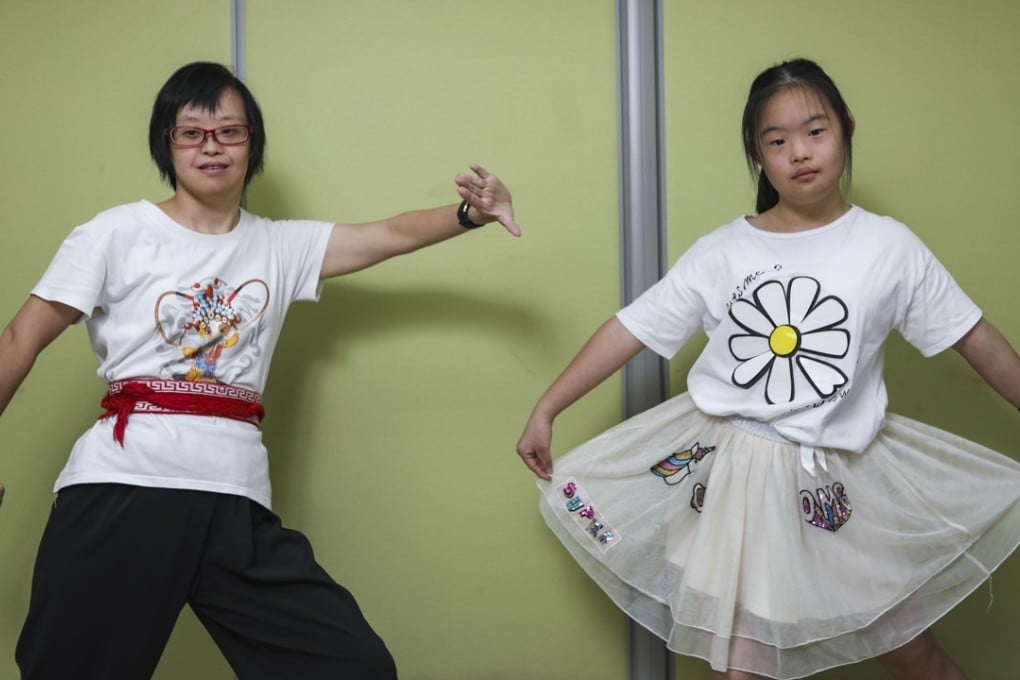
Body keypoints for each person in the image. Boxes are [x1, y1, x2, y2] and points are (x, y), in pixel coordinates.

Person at [0, 61, 519, 679]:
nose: (211, 146)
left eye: (230, 131)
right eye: (191, 132)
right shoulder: (115, 233)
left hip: (234, 499)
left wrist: (469, 215)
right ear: (167, 143)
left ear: (253, 143)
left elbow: (386, 235)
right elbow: (18, 338)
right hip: (124, 488)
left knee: (351, 668)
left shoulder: (279, 245)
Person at [516, 58, 1020, 680]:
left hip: (840, 483)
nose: (799, 153)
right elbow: (633, 328)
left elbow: (975, 338)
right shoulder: (724, 251)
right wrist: (547, 407)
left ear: (847, 130)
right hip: (736, 484)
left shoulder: (889, 248)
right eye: (776, 141)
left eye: (815, 131)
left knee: (912, 653)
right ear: (757, 155)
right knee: (743, 668)